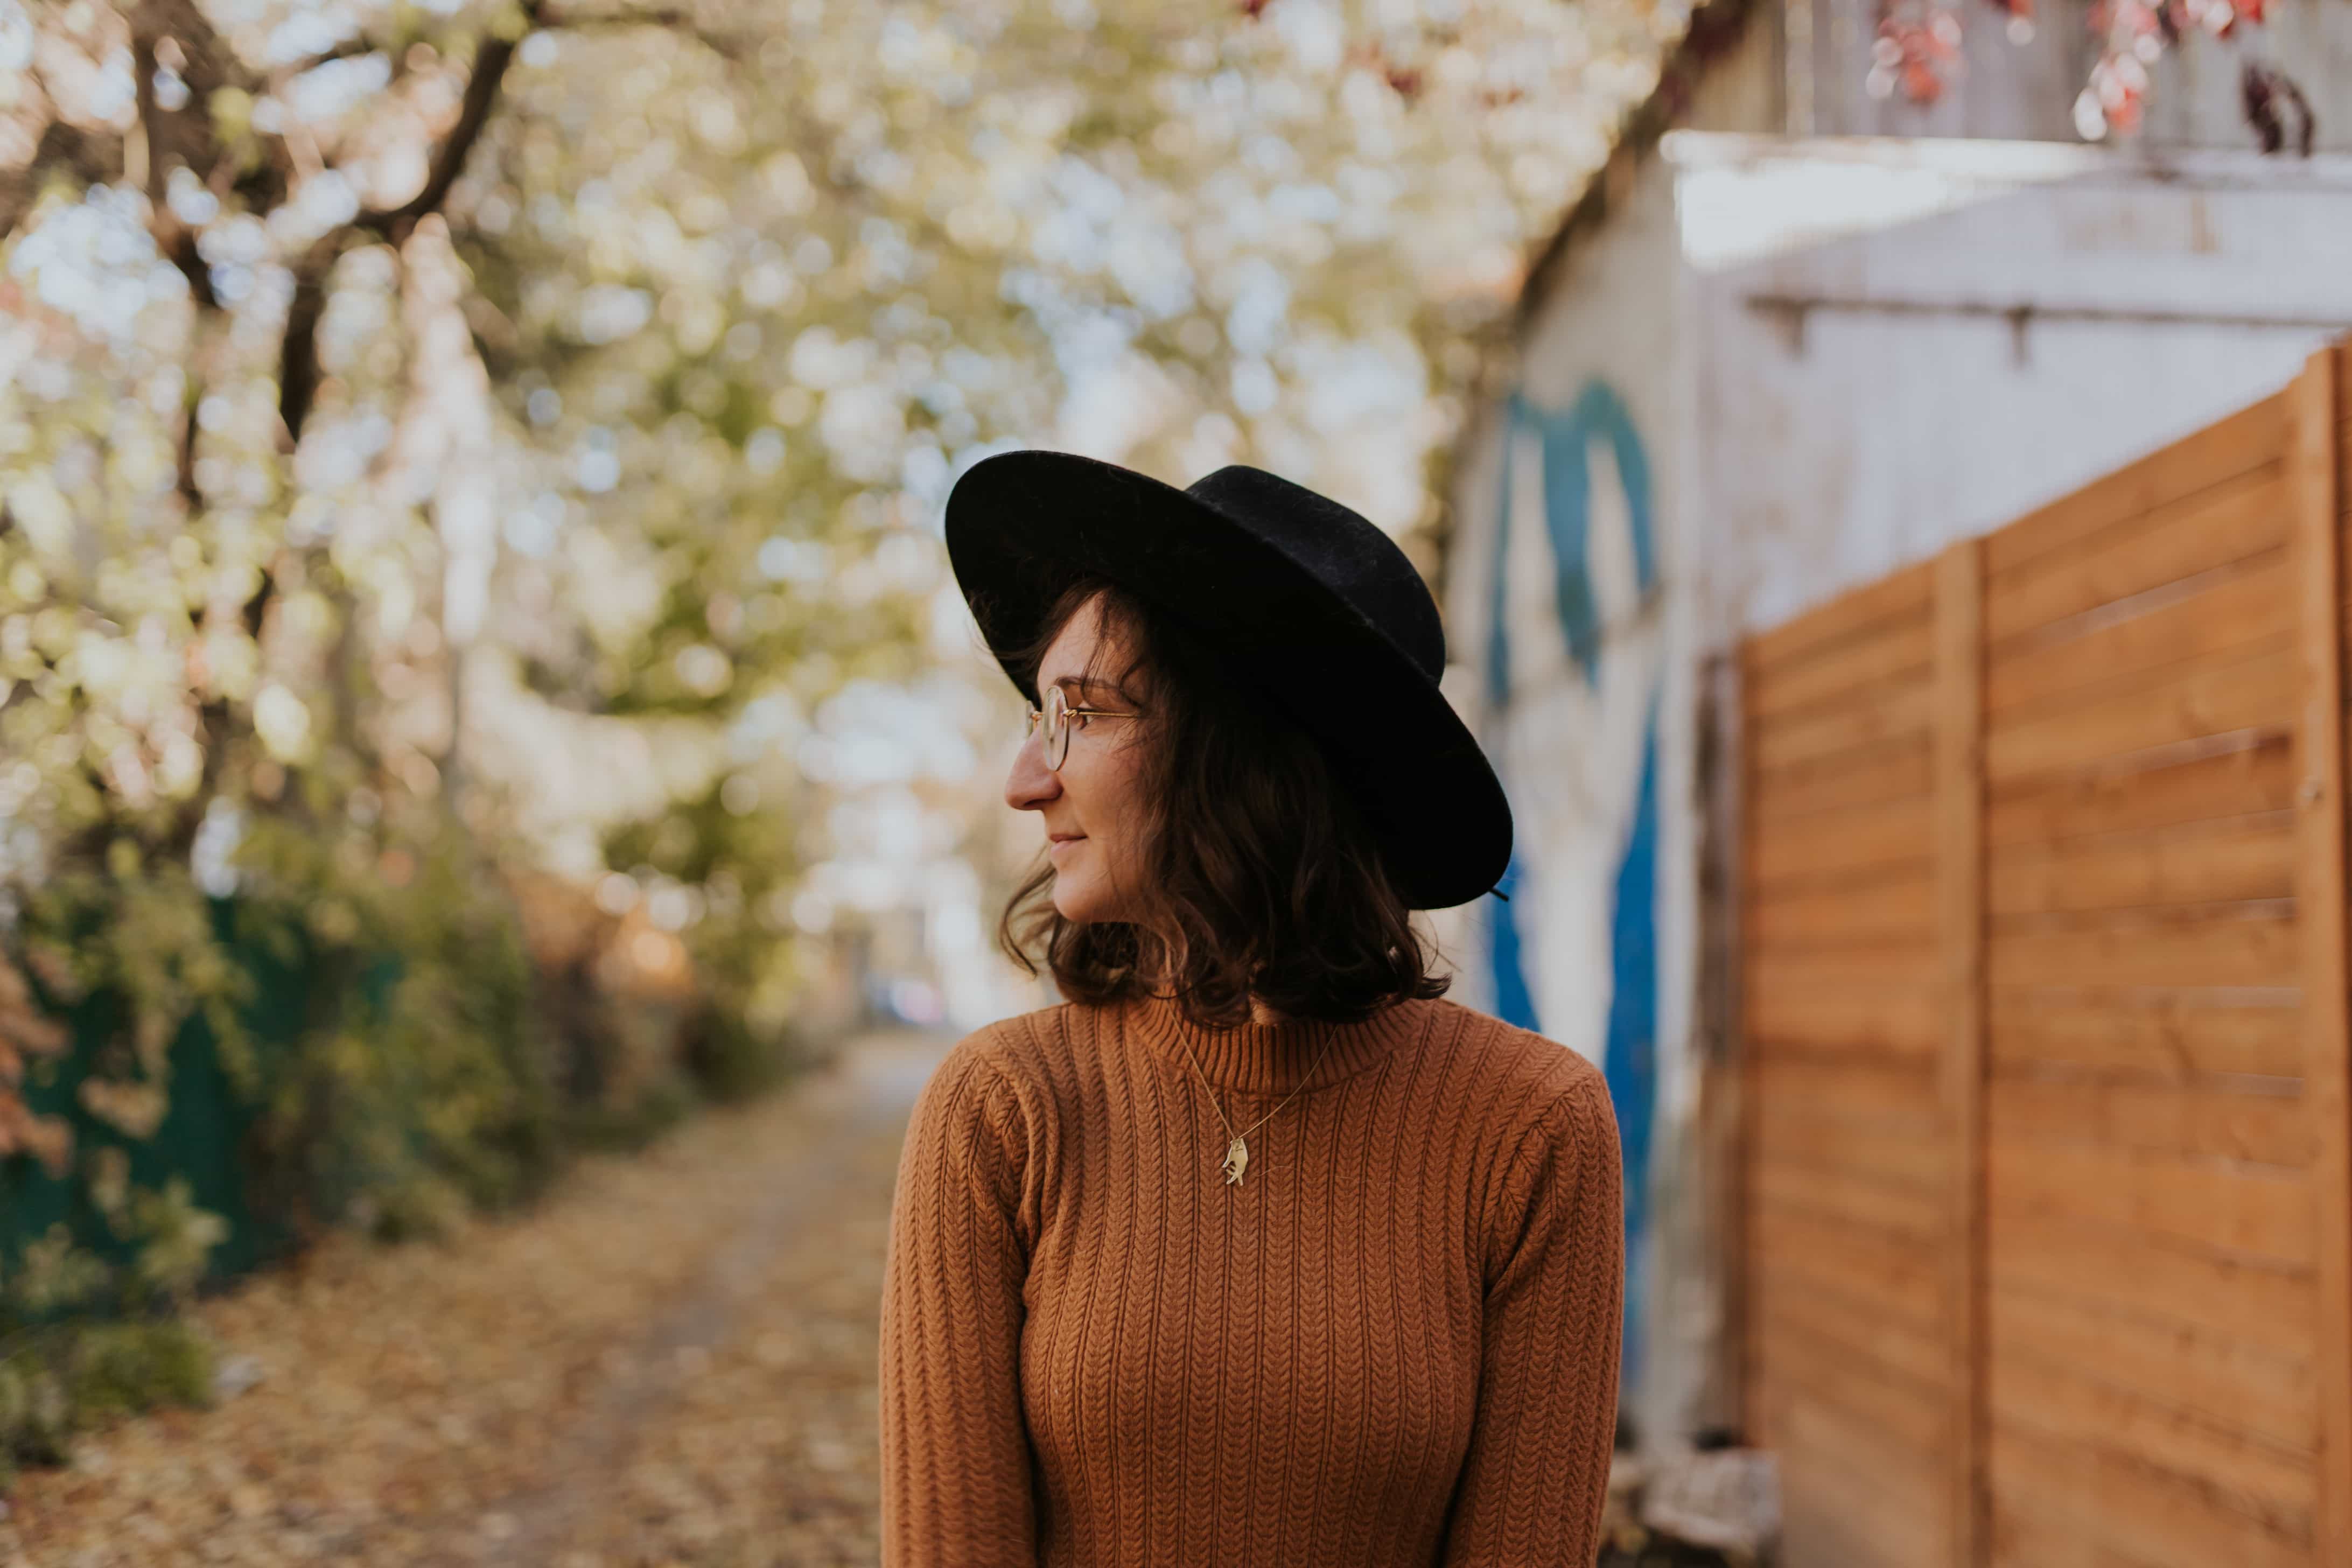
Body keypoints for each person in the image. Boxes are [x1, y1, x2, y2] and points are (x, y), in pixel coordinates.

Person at [877, 452, 1625, 1567]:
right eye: (1043, 715)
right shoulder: (1003, 1110)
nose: (1027, 779)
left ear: (1242, 755)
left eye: (1083, 713)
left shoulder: (1531, 1127)